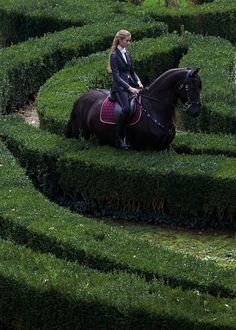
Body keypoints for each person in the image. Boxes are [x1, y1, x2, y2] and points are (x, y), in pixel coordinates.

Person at [108, 30, 143, 149]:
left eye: (130, 40)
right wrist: (130, 88)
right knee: (126, 109)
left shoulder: (127, 54)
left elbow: (132, 72)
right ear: (120, 40)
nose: (129, 42)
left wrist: (138, 82)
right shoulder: (114, 55)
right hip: (119, 88)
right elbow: (116, 77)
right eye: (127, 40)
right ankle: (119, 138)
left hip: (130, 86)